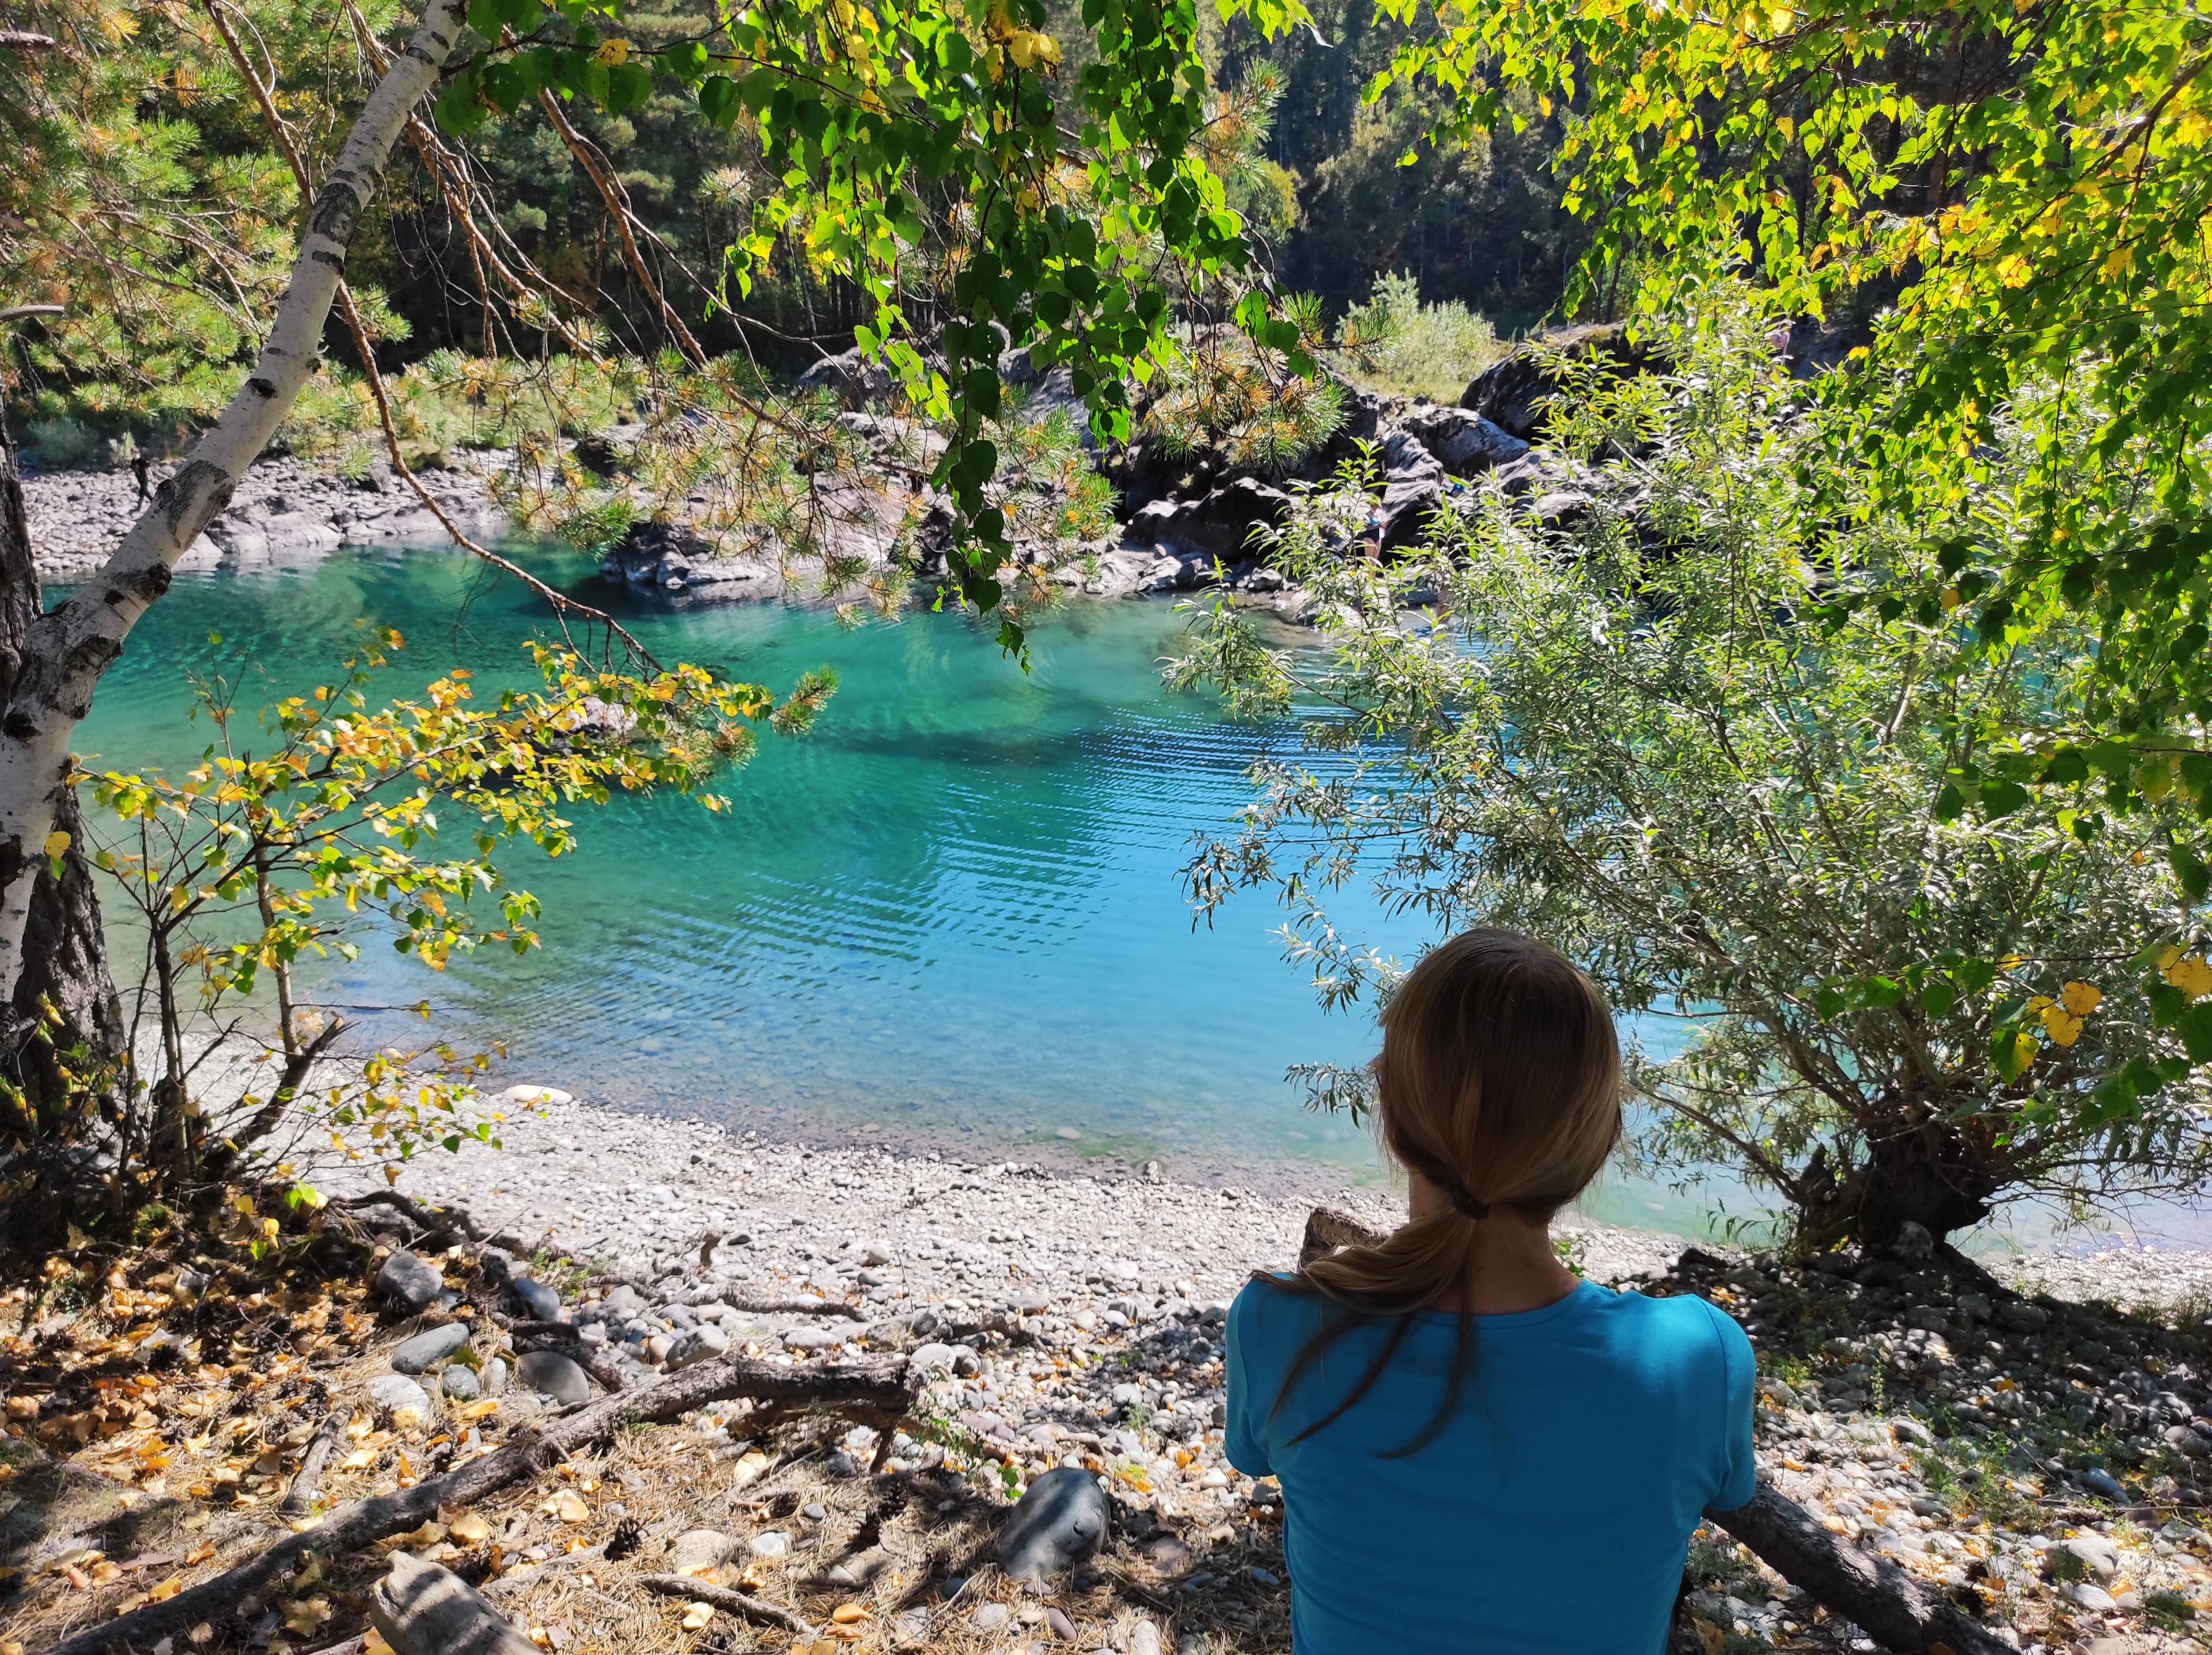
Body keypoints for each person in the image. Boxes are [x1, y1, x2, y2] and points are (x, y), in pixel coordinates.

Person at [1225, 929, 1755, 1654]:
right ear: (1597, 1144)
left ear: (1392, 1115)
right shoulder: (1700, 1360)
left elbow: (1260, 1457)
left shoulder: (1283, 1326)